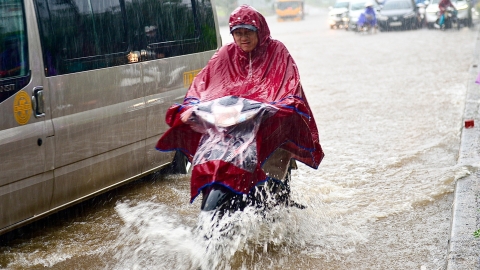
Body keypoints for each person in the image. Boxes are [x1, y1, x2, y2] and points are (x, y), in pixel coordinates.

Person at [156, 5, 324, 203]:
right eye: (238, 33)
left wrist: (281, 105)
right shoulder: (225, 54)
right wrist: (192, 105)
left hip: (269, 122)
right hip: (235, 125)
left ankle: (281, 204)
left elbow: (289, 84)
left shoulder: (277, 51)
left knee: (276, 173)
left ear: (259, 31)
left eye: (248, 33)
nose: (243, 38)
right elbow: (203, 84)